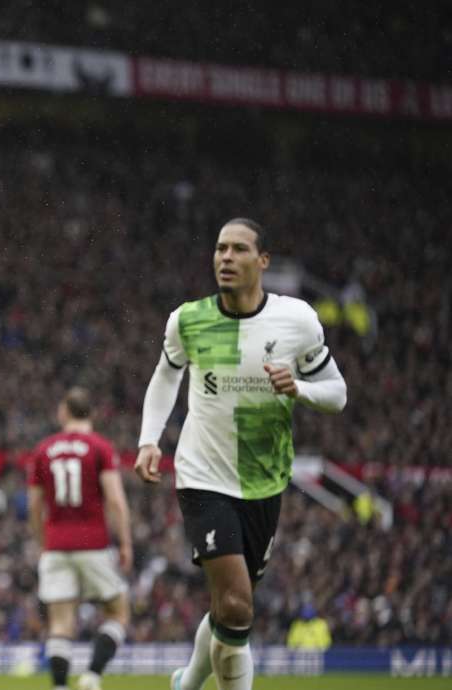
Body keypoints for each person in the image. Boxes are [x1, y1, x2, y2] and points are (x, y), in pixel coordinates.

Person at [134, 218, 347, 690]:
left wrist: (302, 389)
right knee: (235, 605)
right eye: (219, 249)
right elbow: (166, 375)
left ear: (262, 261)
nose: (225, 258)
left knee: (230, 608)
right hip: (203, 475)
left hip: (265, 480)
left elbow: (338, 393)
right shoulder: (188, 319)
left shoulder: (297, 321)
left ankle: (186, 683)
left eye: (238, 250)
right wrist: (150, 439)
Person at [26, 388, 131, 690]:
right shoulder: (100, 447)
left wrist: (41, 541)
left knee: (60, 624)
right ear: (92, 414)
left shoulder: (43, 449)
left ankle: (60, 686)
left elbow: (35, 505)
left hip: (56, 545)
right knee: (117, 612)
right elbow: (115, 500)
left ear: (64, 412)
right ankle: (92, 675)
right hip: (93, 543)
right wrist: (125, 542)